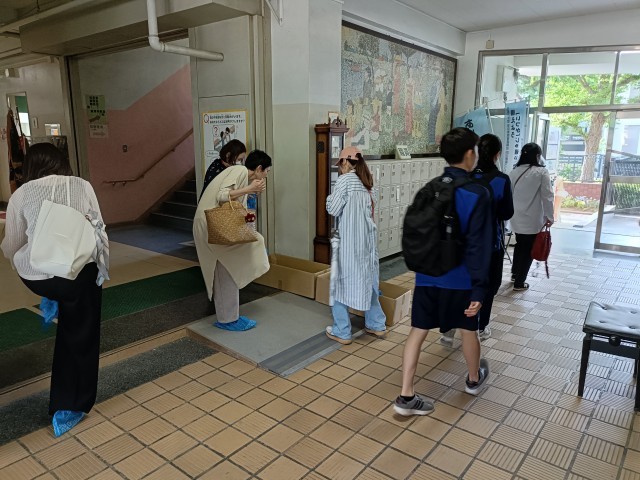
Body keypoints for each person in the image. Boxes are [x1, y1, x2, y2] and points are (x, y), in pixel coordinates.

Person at [1, 143, 108, 437]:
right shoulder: (82, 186)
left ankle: (52, 297)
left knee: (38, 268)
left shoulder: (21, 194)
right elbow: (99, 227)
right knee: (80, 333)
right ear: (63, 162)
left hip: (39, 277)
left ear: (30, 168)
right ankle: (70, 407)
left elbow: (11, 245)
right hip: (79, 274)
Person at [394, 128, 492, 416]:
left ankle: (406, 396)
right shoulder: (477, 193)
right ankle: (473, 380)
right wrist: (479, 288)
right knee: (468, 330)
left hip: (427, 276)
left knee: (418, 331)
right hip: (461, 280)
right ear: (470, 154)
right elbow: (479, 246)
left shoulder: (431, 187)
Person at [440, 133, 514, 345]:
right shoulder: (501, 180)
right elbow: (507, 212)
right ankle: (480, 327)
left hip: (460, 242)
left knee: (460, 282)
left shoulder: (465, 177)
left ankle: (448, 328)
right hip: (489, 244)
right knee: (488, 285)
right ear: (497, 154)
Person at [193, 149, 271, 331]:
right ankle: (227, 319)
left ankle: (229, 317)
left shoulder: (241, 174)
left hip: (212, 224)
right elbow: (222, 196)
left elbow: (235, 206)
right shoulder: (240, 170)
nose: (266, 175)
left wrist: (250, 192)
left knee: (227, 267)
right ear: (259, 168)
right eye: (267, 171)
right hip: (211, 224)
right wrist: (250, 189)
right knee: (226, 267)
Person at [325, 146, 386, 345]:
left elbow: (333, 209)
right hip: (367, 243)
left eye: (340, 164)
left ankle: (342, 331)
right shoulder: (367, 182)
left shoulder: (345, 181)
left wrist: (329, 199)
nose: (339, 168)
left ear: (345, 162)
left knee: (339, 284)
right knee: (369, 281)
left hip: (350, 243)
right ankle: (376, 324)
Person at [508, 143, 554, 291]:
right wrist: (550, 216)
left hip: (515, 216)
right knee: (528, 249)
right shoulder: (541, 172)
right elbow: (547, 196)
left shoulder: (514, 171)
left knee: (520, 244)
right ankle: (519, 282)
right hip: (532, 218)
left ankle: (515, 274)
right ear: (537, 156)